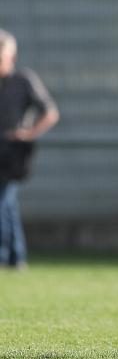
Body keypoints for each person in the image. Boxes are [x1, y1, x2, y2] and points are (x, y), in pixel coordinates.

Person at [0, 29, 59, 270]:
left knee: (3, 200)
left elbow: (51, 112)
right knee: (8, 203)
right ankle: (17, 257)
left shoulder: (23, 81)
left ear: (11, 57)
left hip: (14, 152)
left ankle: (4, 257)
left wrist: (29, 133)